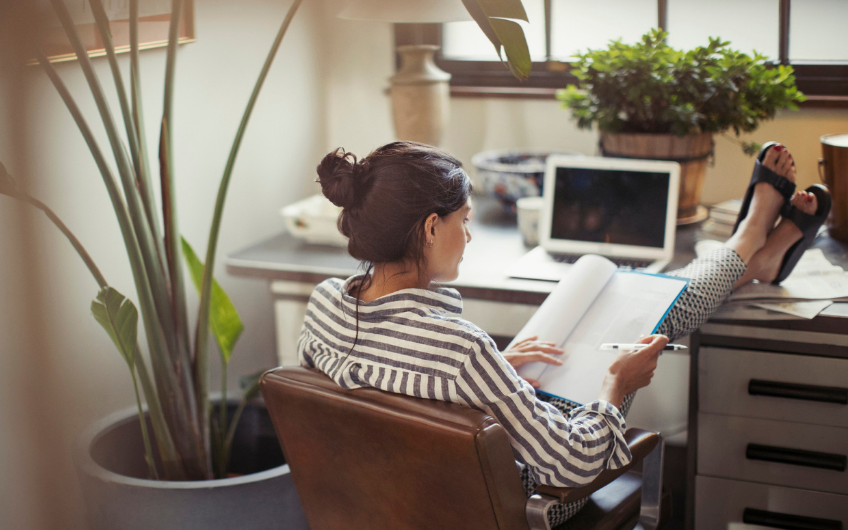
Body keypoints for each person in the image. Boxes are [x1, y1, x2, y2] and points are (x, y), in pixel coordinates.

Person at [296, 141, 818, 527]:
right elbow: (569, 465)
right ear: (431, 228)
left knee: (639, 311)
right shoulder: (460, 353)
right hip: (518, 505)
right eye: (465, 220)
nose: (470, 235)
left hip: (387, 505)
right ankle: (750, 242)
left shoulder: (323, 304)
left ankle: (753, 257)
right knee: (651, 318)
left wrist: (494, 368)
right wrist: (615, 385)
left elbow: (387, 397)